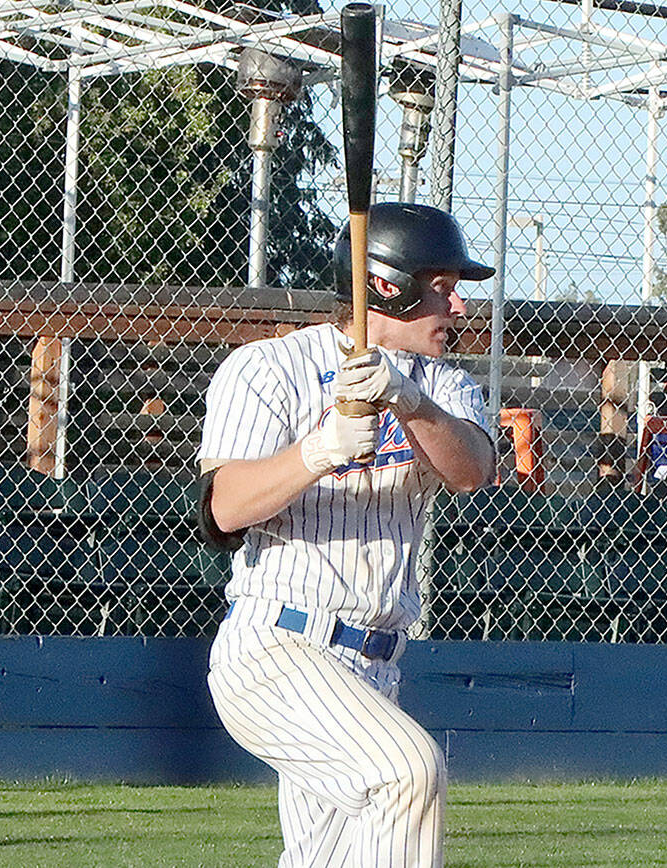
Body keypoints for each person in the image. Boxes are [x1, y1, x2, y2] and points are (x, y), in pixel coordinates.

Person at [198, 202, 497, 867]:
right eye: (444, 288)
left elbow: (472, 470)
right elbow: (224, 509)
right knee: (408, 772)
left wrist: (408, 401)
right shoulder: (269, 369)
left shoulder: (445, 386)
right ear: (388, 285)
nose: (459, 309)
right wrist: (319, 451)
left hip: (374, 668)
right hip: (278, 647)